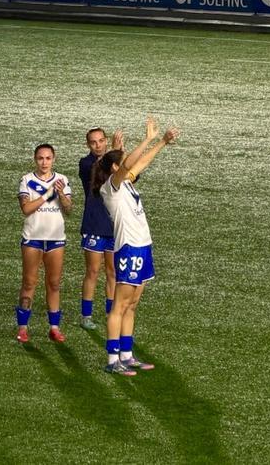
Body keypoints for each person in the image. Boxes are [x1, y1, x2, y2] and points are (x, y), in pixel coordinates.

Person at [94, 117, 179, 375]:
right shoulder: (112, 187)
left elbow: (140, 163)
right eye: (122, 162)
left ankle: (127, 355)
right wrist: (147, 138)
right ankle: (112, 360)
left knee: (132, 304)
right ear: (115, 168)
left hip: (142, 246)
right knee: (120, 304)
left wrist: (162, 141)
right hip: (128, 248)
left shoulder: (127, 185)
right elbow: (131, 162)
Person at [15, 144, 72, 343]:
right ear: (35, 159)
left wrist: (62, 194)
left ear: (53, 159)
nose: (44, 162)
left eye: (48, 158)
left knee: (54, 283)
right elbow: (26, 208)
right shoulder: (26, 180)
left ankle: (54, 327)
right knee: (29, 282)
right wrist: (48, 194)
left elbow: (68, 209)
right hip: (33, 238)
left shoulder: (63, 180)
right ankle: (22, 327)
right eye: (41, 158)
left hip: (56, 238)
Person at [78, 127, 119, 331]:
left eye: (102, 141)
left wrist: (118, 154)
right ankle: (86, 315)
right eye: (94, 142)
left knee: (112, 272)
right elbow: (99, 171)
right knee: (93, 271)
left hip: (113, 225)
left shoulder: (112, 162)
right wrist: (115, 152)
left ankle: (110, 313)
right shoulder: (85, 163)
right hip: (94, 223)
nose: (98, 145)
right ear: (88, 145)